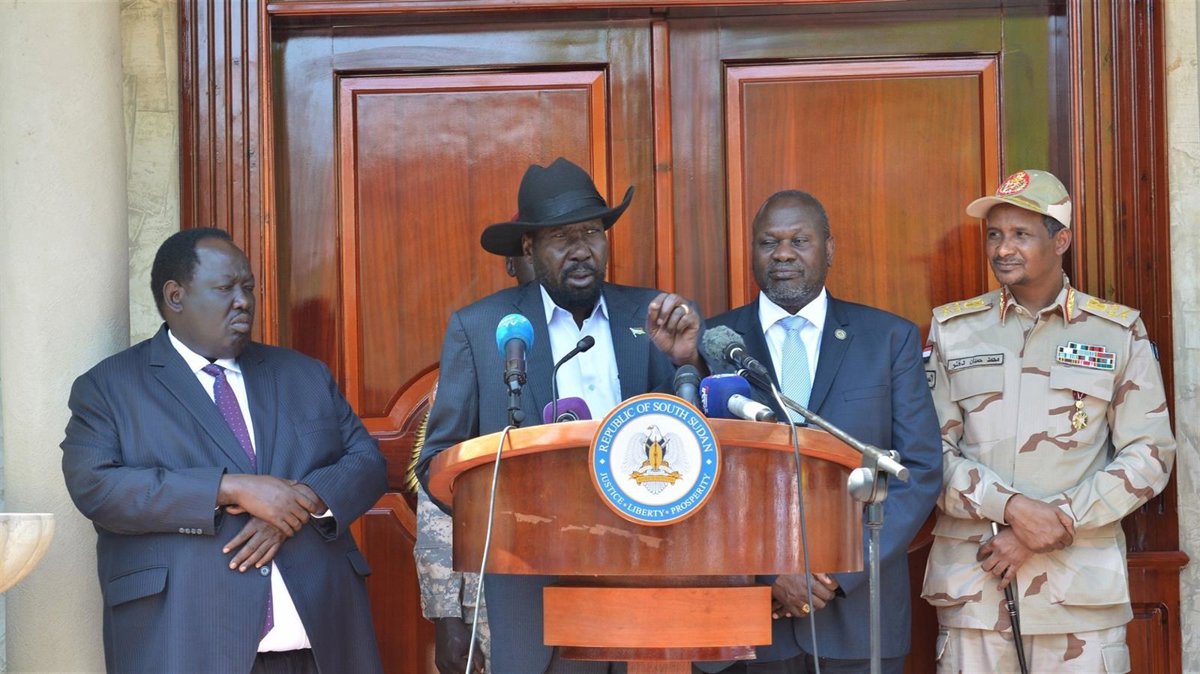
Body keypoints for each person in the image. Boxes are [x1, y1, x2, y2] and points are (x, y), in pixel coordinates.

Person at [415, 156, 704, 674]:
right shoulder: (481, 328)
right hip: (532, 592)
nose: (581, 249)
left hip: (645, 579)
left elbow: (692, 445)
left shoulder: (652, 317)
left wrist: (687, 364)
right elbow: (435, 462)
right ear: (529, 248)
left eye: (591, 232)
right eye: (561, 237)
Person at [61, 228, 388, 673]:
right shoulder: (109, 387)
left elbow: (367, 462)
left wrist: (298, 505)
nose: (243, 301)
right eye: (226, 288)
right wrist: (229, 488)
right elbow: (97, 487)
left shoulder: (303, 374)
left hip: (321, 643)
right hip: (186, 643)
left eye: (248, 287)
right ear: (175, 296)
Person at [921, 170, 1176, 673]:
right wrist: (1012, 508)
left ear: (1061, 240)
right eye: (994, 234)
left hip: (1078, 594)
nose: (1002, 249)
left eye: (1021, 234)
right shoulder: (953, 330)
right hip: (976, 588)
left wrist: (1052, 522)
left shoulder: (1116, 331)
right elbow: (928, 453)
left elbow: (1150, 455)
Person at [701, 190, 942, 673]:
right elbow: (702, 479)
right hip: (750, 622)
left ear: (828, 249)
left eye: (799, 241)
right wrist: (769, 572)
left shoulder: (887, 339)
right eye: (769, 242)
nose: (783, 254)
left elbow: (917, 470)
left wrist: (835, 571)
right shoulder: (714, 343)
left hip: (858, 618)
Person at [413, 253, 534, 674]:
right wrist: (446, 615)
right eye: (534, 248)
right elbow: (439, 489)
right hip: (490, 591)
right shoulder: (483, 352)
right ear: (514, 264)